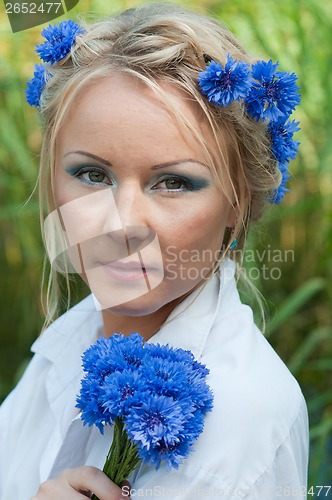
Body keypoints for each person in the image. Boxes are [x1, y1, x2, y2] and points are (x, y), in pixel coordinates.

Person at [0, 2, 308, 499]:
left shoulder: (243, 421)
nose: (121, 223)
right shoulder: (68, 344)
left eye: (173, 182)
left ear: (239, 202)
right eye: (92, 174)